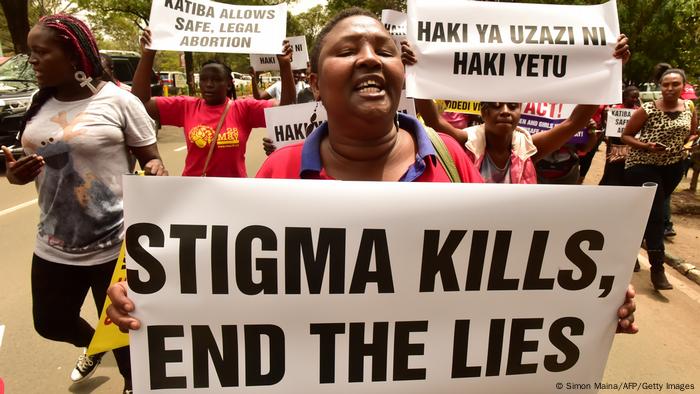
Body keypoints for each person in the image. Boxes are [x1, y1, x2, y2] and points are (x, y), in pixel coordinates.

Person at [106, 7, 638, 336]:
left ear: (402, 74)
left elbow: (516, 276)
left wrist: (588, 301)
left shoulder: (454, 166)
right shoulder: (278, 172)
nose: (369, 57)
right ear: (315, 82)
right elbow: (223, 286)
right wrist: (152, 297)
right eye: (347, 50)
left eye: (384, 50)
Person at [0, 14, 167, 394]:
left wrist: (156, 166)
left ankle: (132, 383)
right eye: (31, 53)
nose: (33, 61)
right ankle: (94, 345)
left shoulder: (119, 101)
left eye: (41, 52)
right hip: (55, 242)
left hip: (117, 247)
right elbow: (29, 165)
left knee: (129, 347)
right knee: (50, 323)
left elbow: (150, 158)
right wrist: (15, 175)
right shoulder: (38, 103)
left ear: (74, 57)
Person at [401, 37, 631, 184]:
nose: (505, 111)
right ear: (483, 113)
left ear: (520, 113)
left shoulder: (530, 147)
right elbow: (432, 119)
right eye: (496, 106)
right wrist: (416, 70)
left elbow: (574, 123)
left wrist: (611, 71)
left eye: (513, 106)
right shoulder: (465, 143)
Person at [131, 28, 296, 177]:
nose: (209, 84)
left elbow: (286, 111)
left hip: (233, 193)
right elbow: (140, 103)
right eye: (204, 79)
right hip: (192, 193)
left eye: (216, 79)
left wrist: (284, 66)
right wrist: (147, 55)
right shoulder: (186, 106)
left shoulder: (244, 108)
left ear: (229, 84)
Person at [622, 68, 698, 290]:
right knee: (656, 216)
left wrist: (690, 142)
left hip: (673, 167)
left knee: (643, 215)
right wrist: (647, 146)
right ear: (660, 87)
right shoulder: (648, 109)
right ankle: (657, 269)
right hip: (642, 166)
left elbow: (692, 132)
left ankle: (628, 251)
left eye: (675, 84)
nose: (670, 88)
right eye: (666, 84)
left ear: (683, 86)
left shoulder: (689, 108)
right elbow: (626, 136)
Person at [600, 85, 641, 186]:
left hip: (631, 144)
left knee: (627, 166)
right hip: (614, 143)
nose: (635, 99)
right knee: (613, 167)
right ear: (625, 97)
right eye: (633, 97)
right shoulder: (614, 109)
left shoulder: (639, 111)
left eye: (637, 97)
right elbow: (606, 124)